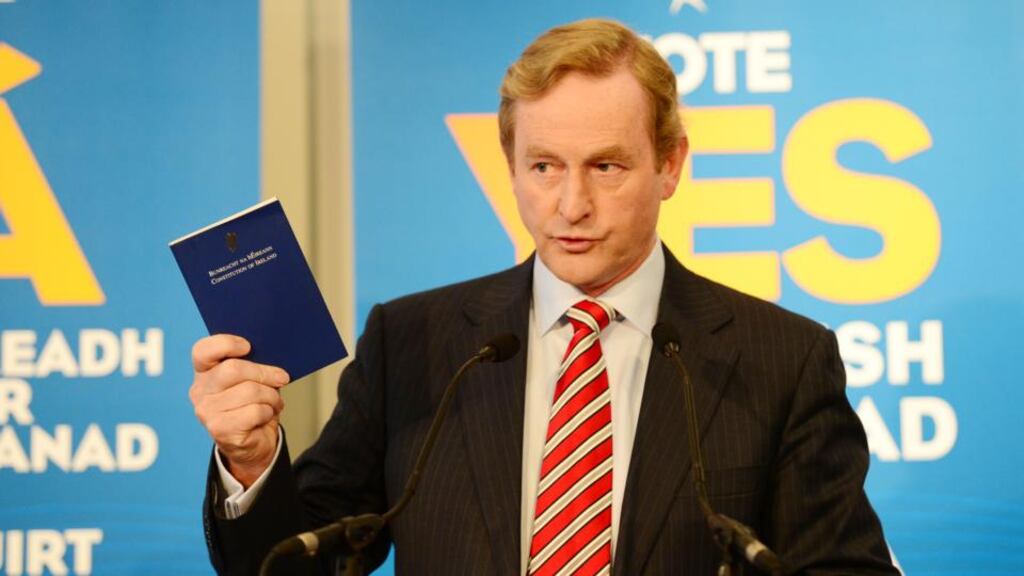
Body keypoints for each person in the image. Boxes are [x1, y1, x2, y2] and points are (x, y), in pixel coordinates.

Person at [189, 18, 899, 576]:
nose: (571, 205)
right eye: (543, 166)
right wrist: (251, 463)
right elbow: (291, 566)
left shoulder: (782, 357)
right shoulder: (413, 342)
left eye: (607, 166)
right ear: (511, 166)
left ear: (671, 164)